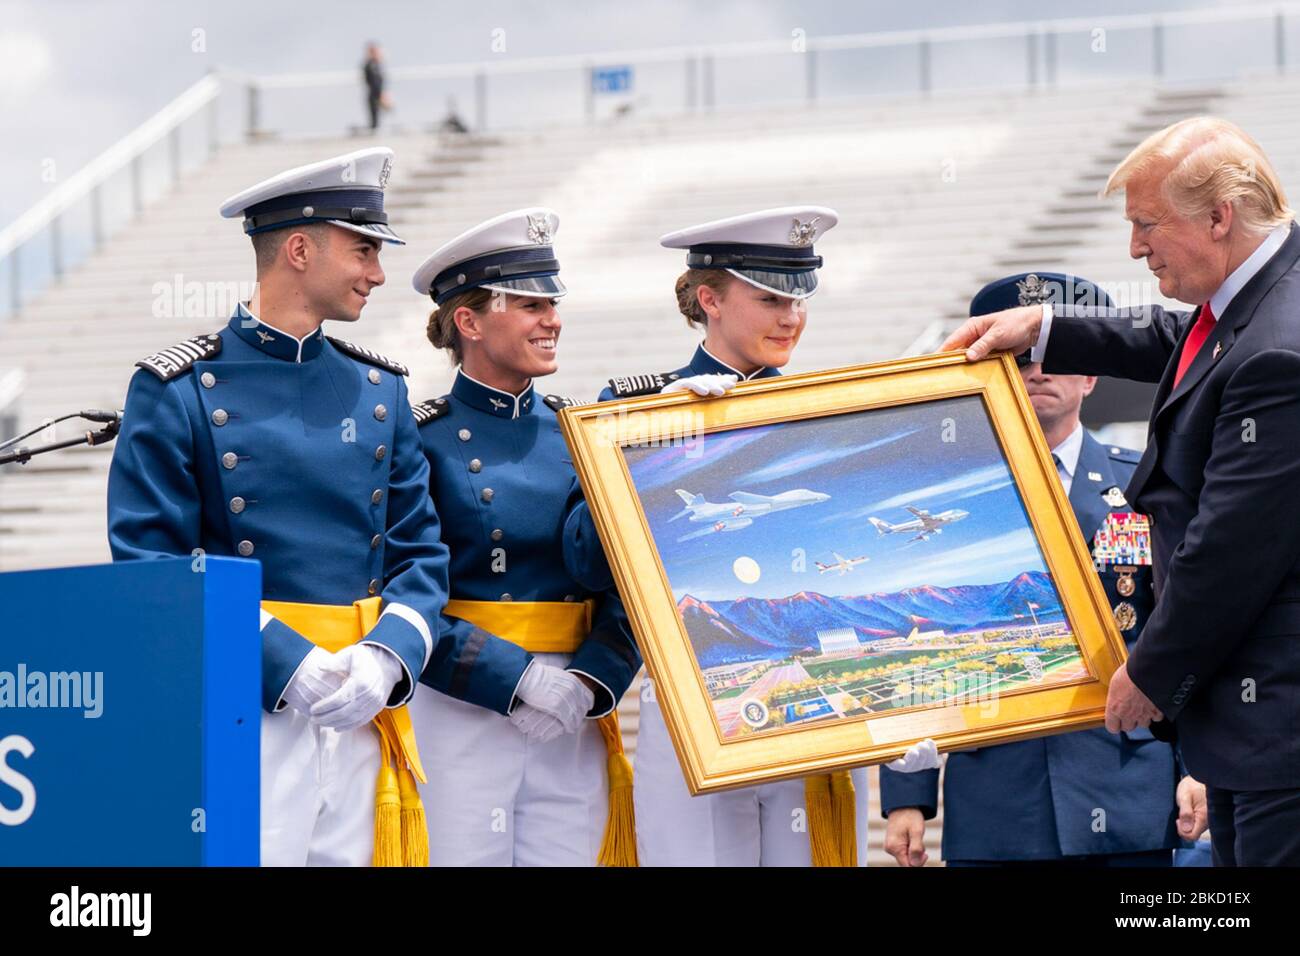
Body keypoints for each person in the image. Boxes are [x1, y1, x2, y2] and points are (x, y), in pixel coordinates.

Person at [942, 117, 1300, 866]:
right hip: (1255, 727)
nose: (1135, 248)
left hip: (1277, 725)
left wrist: (1151, 674)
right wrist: (1044, 325)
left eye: (1146, 224)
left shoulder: (1278, 347)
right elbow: (1175, 336)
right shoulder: (1259, 304)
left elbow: (1229, 552)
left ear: (1218, 216)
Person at [108, 147, 449, 867]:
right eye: (363, 250)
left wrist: (387, 657)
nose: (379, 273)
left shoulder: (380, 391)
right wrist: (284, 660)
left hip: (362, 703)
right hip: (245, 704)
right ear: (299, 249)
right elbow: (151, 560)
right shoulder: (177, 386)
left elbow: (421, 554)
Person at [593, 207, 936, 866]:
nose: (792, 317)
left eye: (800, 299)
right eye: (772, 297)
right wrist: (657, 445)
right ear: (709, 299)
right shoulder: (633, 407)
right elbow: (586, 559)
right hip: (689, 701)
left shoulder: (826, 412)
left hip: (816, 701)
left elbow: (869, 569)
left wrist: (905, 711)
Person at [881, 273, 1207, 867]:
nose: (1039, 371)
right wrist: (909, 796)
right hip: (999, 794)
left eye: (1059, 354)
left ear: (1091, 371)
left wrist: (1197, 766)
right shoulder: (953, 499)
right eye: (1022, 355)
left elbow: (1187, 627)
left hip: (1127, 785)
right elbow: (920, 647)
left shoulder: (1147, 484)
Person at [407, 207, 642, 866]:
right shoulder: (417, 437)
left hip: (573, 709)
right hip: (463, 702)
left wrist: (596, 678)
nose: (553, 318)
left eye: (554, 302)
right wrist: (514, 680)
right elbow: (406, 588)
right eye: (531, 303)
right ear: (470, 321)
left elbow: (633, 579)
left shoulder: (582, 431)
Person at [363, 43, 388, 132]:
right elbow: (374, 83)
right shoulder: (371, 65)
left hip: (375, 95)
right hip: (375, 95)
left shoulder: (374, 65)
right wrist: (381, 96)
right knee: (374, 122)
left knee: (376, 120)